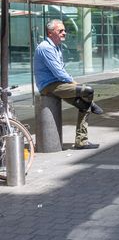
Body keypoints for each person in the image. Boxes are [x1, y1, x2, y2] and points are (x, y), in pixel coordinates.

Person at [34, 19, 103, 149]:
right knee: (87, 91)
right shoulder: (45, 48)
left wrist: (73, 84)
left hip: (58, 84)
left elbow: (61, 71)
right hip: (49, 86)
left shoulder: (57, 47)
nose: (64, 33)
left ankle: (81, 141)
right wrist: (75, 83)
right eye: (60, 31)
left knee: (84, 104)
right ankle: (91, 104)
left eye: (64, 30)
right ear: (50, 33)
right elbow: (59, 72)